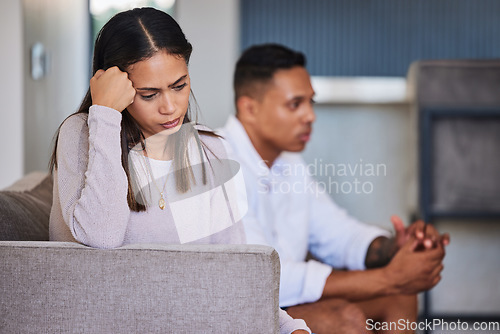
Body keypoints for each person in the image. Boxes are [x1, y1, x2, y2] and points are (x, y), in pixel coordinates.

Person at [48, 9, 310, 334]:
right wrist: (104, 114)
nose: (170, 107)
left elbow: (235, 272)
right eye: (149, 94)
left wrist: (290, 327)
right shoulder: (85, 134)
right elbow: (100, 237)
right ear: (115, 88)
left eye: (179, 85)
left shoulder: (209, 148)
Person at [219, 43, 450, 334]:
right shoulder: (219, 163)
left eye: (310, 103)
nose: (310, 116)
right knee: (345, 318)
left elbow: (337, 233)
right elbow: (263, 275)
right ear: (249, 108)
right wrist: (389, 277)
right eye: (295, 104)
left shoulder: (289, 162)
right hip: (242, 310)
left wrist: (393, 248)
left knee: (400, 295)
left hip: (282, 301)